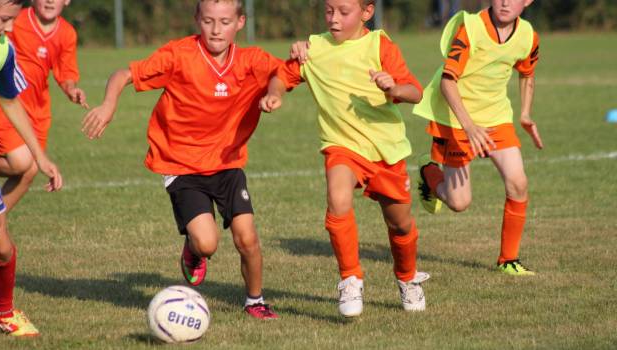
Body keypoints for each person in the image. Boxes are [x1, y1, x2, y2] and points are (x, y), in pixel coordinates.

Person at [82, 0, 285, 320]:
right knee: (207, 243)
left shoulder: (250, 60)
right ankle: (193, 249)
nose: (216, 30)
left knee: (248, 237)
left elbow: (282, 72)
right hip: (181, 164)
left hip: (228, 163)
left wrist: (275, 92)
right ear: (196, 20)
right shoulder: (178, 55)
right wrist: (109, 105)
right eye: (208, 21)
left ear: (240, 22)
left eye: (224, 21)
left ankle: (255, 300)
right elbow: (124, 73)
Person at [260, 0, 429, 317]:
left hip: (385, 150)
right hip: (341, 145)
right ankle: (350, 279)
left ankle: (408, 279)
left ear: (366, 13)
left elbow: (415, 92)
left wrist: (393, 88)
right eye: (328, 11)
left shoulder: (380, 44)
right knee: (337, 200)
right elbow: (283, 75)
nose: (334, 19)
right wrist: (275, 93)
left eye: (343, 12)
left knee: (400, 223)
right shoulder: (314, 48)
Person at [412, 0, 542, 276]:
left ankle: (508, 259)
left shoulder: (528, 36)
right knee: (459, 203)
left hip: (495, 116)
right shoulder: (471, 28)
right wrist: (469, 126)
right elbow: (448, 81)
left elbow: (527, 73)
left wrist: (526, 113)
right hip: (455, 117)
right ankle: (428, 171)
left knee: (518, 182)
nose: (505, 2)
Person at [0, 0, 63, 336]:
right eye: (4, 19)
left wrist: (39, 156)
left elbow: (10, 100)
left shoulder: (0, 50)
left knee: (1, 246)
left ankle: (4, 314)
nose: (10, 28)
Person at [0, 0, 85, 211]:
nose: (50, 0)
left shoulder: (67, 33)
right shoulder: (14, 19)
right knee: (21, 162)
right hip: (4, 100)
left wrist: (71, 89)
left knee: (29, 170)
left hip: (37, 109)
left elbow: (66, 72)